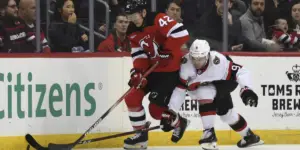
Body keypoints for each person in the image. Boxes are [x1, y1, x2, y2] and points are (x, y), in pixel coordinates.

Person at [161, 39, 264, 150]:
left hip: (224, 82)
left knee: (203, 92)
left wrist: (246, 89)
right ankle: (249, 136)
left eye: (200, 59)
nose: (196, 62)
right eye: (194, 58)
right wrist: (172, 110)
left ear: (207, 55)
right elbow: (180, 89)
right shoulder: (186, 64)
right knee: (226, 114)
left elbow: (242, 71)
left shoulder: (218, 62)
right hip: (205, 84)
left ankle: (209, 134)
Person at [123, 0, 190, 149]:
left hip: (170, 71)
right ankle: (141, 137)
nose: (131, 19)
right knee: (132, 97)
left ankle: (180, 122)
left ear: (143, 12)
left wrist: (166, 50)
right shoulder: (132, 31)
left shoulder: (158, 19)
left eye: (134, 15)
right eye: (128, 16)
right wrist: (138, 72)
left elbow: (182, 34)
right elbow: (139, 54)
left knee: (156, 111)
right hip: (152, 70)